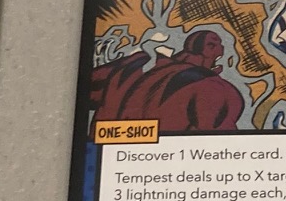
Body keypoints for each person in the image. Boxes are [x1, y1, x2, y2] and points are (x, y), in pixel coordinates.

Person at [89, 29, 244, 132]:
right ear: (209, 48)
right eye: (217, 45)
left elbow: (84, 93)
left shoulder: (135, 64)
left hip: (112, 161)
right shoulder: (215, 88)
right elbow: (223, 148)